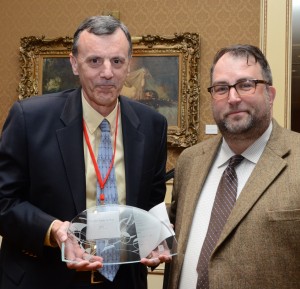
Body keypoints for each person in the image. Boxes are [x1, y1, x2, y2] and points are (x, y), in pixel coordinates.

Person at [0, 15, 169, 289]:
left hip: (124, 282)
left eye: (117, 61)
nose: (107, 72)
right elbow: (4, 201)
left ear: (129, 66)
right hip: (46, 279)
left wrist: (154, 238)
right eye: (94, 61)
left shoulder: (152, 126)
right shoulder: (29, 119)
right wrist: (53, 229)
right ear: (74, 64)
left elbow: (151, 202)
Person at [164, 44, 300, 289]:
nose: (233, 98)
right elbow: (173, 232)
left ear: (270, 94)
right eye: (222, 88)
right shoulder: (190, 161)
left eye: (246, 85)